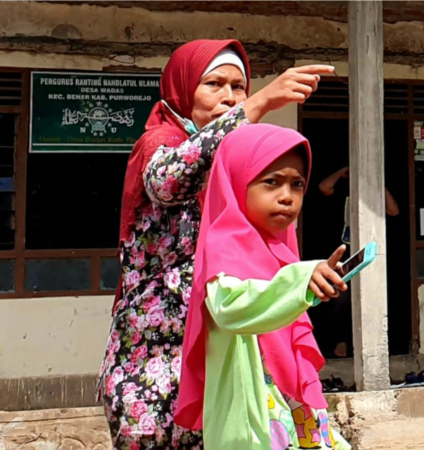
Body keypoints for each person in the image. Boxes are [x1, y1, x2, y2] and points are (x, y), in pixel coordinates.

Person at [99, 39, 334, 449]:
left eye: (239, 86)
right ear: (183, 88)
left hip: (222, 352)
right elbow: (167, 182)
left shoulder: (231, 155)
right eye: (214, 84)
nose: (229, 97)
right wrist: (257, 105)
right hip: (158, 357)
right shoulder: (159, 143)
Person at [174, 124, 351, 449]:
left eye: (297, 185)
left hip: (294, 411)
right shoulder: (223, 246)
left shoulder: (282, 249)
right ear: (238, 181)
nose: (287, 196)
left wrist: (310, 282)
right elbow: (230, 307)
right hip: (256, 411)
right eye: (272, 182)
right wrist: (299, 281)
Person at [318, 166, 399, 357]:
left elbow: (393, 211)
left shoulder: (373, 193)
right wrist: (345, 170)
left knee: (370, 299)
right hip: (343, 255)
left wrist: (377, 183)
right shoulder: (343, 189)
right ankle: (341, 342)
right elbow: (324, 187)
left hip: (368, 254)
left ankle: (373, 346)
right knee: (340, 299)